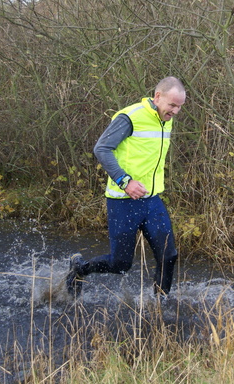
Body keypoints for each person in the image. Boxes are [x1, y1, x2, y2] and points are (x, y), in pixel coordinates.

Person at [66, 76, 186, 299]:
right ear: (157, 96)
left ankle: (160, 305)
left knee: (168, 255)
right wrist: (125, 182)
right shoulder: (130, 117)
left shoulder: (164, 118)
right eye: (172, 105)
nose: (176, 111)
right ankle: (79, 269)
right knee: (121, 264)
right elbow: (101, 149)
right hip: (123, 202)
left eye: (179, 106)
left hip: (151, 200)